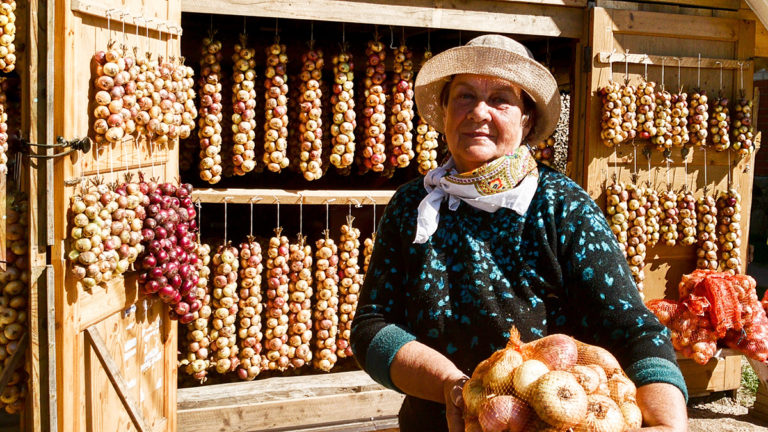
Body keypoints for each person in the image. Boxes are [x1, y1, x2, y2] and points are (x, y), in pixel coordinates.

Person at [350, 34, 689, 431]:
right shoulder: (412, 206)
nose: (479, 111)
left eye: (500, 99)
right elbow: (371, 326)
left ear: (526, 119)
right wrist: (452, 386)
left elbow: (633, 328)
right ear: (444, 110)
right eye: (464, 96)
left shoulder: (562, 206)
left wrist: (668, 420)